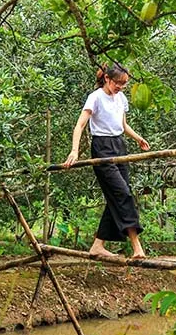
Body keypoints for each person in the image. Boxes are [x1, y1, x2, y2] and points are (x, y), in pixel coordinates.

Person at [63, 63, 150, 259]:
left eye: (124, 84)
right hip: (102, 148)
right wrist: (74, 151)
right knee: (123, 193)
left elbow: (122, 124)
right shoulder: (95, 97)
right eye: (118, 82)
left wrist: (137, 138)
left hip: (120, 146)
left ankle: (97, 245)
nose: (120, 86)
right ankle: (137, 246)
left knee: (117, 196)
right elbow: (80, 124)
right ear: (107, 79)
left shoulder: (121, 98)